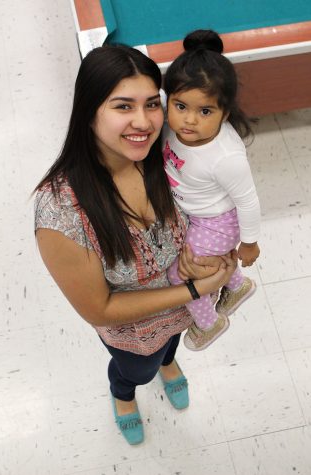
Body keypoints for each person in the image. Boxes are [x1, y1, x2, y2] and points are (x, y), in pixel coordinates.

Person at [33, 44, 237, 445]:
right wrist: (195, 289)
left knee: (169, 348)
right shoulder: (60, 213)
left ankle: (169, 359)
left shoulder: (166, 156)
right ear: (89, 111)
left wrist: (204, 259)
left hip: (184, 308)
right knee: (137, 369)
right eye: (123, 106)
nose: (143, 122)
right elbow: (99, 308)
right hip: (134, 332)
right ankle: (122, 394)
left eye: (151, 104)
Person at [163, 30, 261, 352]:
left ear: (225, 113)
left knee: (181, 272)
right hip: (192, 210)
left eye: (205, 111)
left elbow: (248, 201)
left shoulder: (226, 158)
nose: (189, 120)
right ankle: (238, 286)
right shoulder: (171, 123)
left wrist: (249, 244)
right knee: (203, 264)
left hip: (218, 220)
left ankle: (209, 323)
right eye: (180, 106)